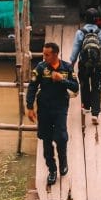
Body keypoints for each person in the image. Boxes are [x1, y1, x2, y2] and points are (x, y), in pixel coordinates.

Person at [26, 42, 79, 187]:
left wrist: (63, 81)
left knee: (61, 137)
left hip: (60, 108)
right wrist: (29, 107)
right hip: (44, 109)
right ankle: (52, 170)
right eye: (44, 54)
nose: (44, 57)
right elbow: (32, 87)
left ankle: (63, 162)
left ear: (55, 54)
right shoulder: (41, 68)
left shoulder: (67, 68)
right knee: (46, 140)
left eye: (47, 55)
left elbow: (76, 87)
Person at [69, 8, 101, 125]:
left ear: (85, 19)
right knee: (97, 87)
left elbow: (75, 49)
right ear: (97, 20)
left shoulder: (80, 32)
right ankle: (95, 114)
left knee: (84, 84)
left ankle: (86, 106)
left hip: (84, 63)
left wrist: (72, 63)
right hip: (98, 64)